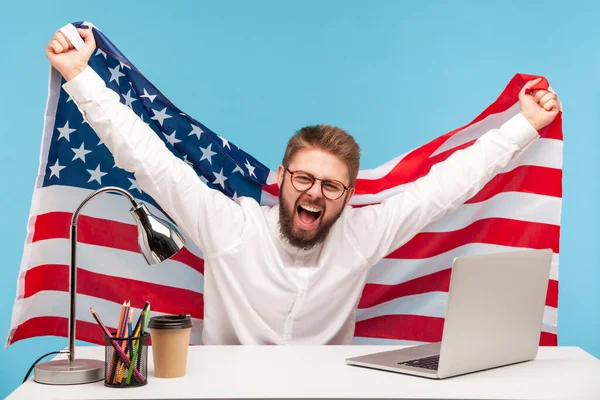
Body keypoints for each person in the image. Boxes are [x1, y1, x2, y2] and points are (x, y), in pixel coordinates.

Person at [46, 27, 560, 345]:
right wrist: (80, 77)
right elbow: (150, 160)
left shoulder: (363, 234)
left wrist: (525, 124)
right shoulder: (232, 226)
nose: (315, 193)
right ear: (284, 178)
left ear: (348, 196)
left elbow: (445, 186)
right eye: (305, 179)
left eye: (331, 187)